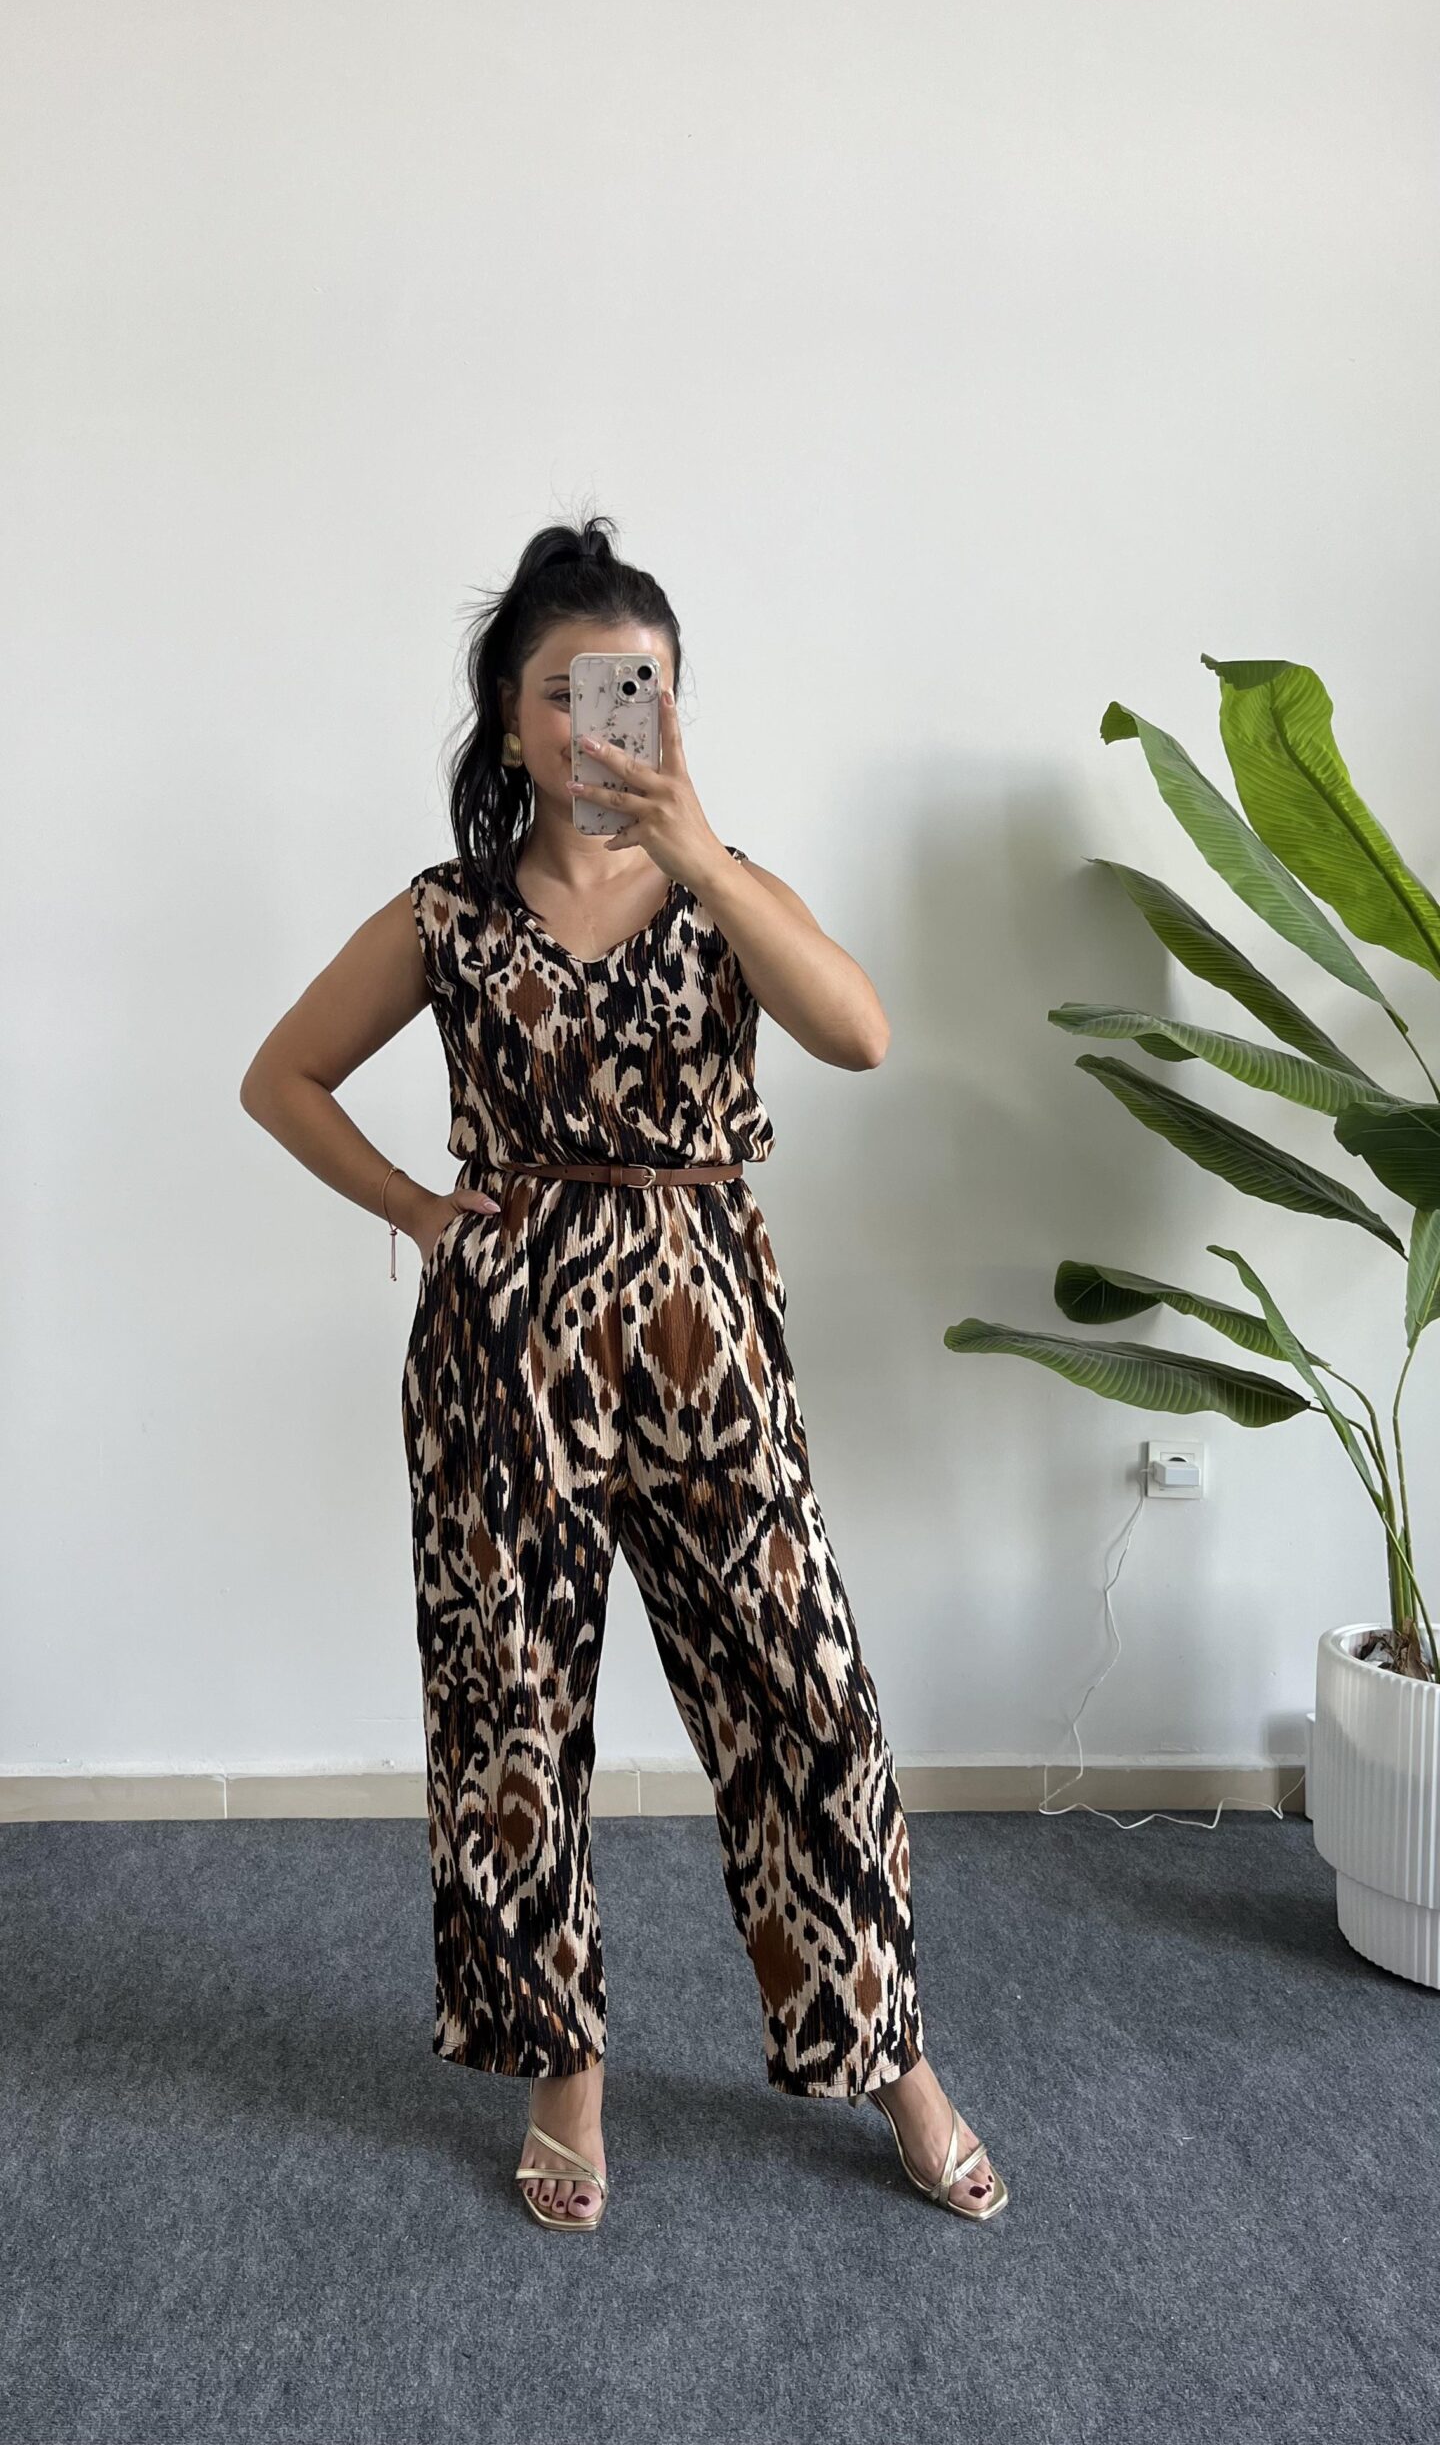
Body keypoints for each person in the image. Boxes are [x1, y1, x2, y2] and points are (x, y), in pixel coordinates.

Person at [239, 512, 1008, 2231]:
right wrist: (420, 1211)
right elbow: (280, 1076)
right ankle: (560, 2069)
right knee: (511, 1710)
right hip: (504, 1345)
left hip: (706, 1327)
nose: (608, 721)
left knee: (804, 1694)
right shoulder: (447, 915)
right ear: (512, 720)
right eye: (573, 692)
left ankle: (890, 2052)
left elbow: (860, 1032)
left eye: (642, 689)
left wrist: (702, 850)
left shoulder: (727, 888)